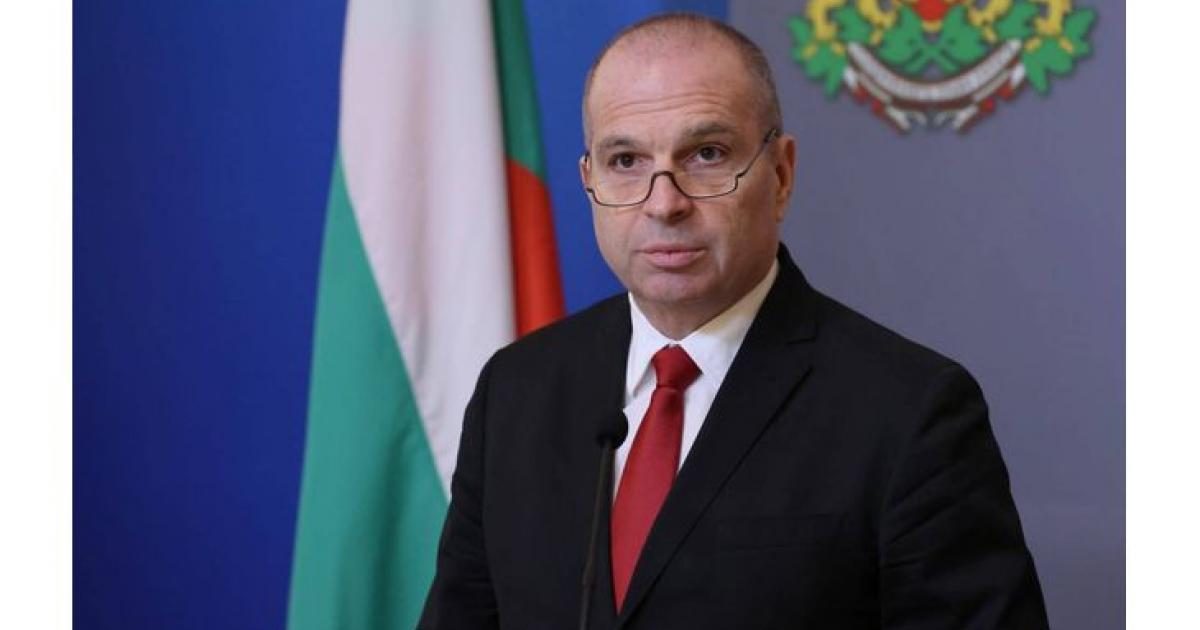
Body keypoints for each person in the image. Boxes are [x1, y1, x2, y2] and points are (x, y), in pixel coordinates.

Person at [419, 12, 1048, 630]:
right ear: (589, 181)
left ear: (781, 174)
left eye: (706, 154)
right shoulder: (516, 391)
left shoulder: (909, 410)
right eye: (626, 161)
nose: (664, 203)